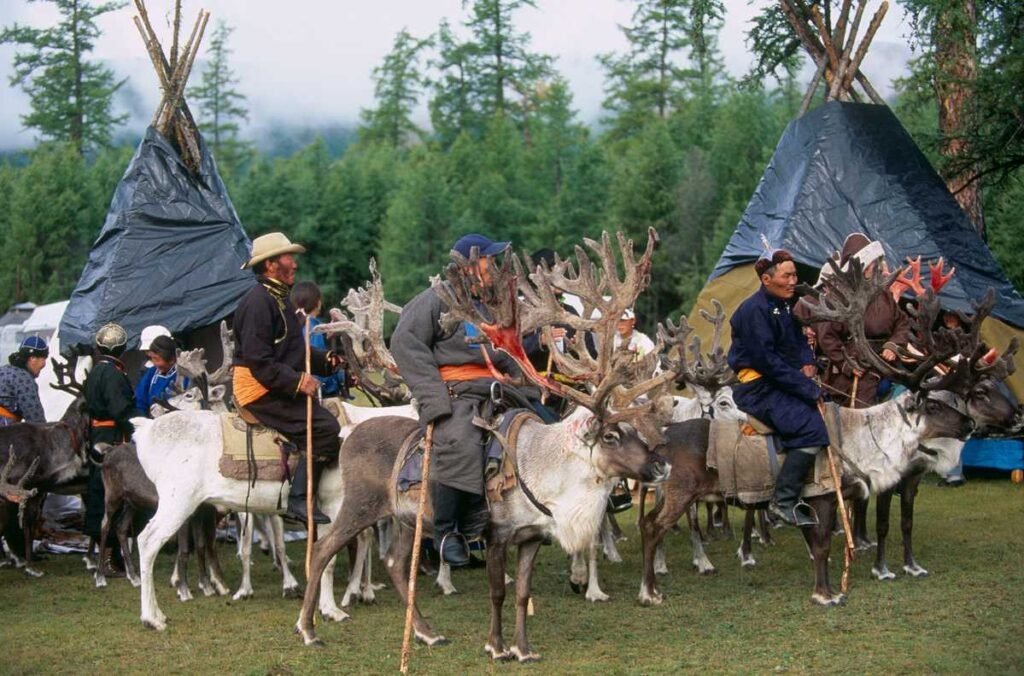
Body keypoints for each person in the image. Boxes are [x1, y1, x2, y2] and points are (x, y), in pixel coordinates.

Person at [391, 233, 540, 567]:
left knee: (540, 424)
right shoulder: (435, 299)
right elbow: (405, 343)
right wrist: (433, 397)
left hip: (499, 391)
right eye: (489, 259)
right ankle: (446, 532)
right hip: (456, 395)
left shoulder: (493, 302)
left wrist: (528, 379)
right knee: (460, 440)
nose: (495, 266)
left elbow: (505, 352)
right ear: (471, 265)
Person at [232, 232, 343, 525]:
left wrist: (328, 362)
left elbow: (296, 352)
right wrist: (297, 382)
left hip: (271, 380)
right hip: (258, 388)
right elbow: (259, 361)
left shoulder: (278, 299)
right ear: (270, 265)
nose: (294, 264)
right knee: (326, 427)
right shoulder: (258, 303)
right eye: (288, 258)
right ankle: (298, 501)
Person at [727, 247, 828, 527]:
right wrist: (807, 389)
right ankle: (782, 501)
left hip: (778, 382)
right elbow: (767, 362)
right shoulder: (753, 311)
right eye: (787, 276)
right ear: (767, 280)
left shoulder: (783, 305)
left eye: (795, 275)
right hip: (758, 388)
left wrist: (808, 363)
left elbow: (797, 341)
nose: (794, 281)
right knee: (811, 429)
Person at [816, 234, 910, 408]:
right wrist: (846, 364)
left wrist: (893, 345)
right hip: (858, 368)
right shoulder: (838, 296)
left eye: (874, 263)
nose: (874, 268)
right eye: (869, 264)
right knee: (864, 413)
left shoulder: (883, 294)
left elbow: (902, 323)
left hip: (888, 365)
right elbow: (827, 337)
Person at [84, 322, 143, 574]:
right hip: (112, 437)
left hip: (98, 433)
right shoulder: (113, 374)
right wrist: (142, 423)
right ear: (122, 349)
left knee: (100, 490)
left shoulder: (96, 371)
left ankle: (110, 557)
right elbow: (120, 410)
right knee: (111, 494)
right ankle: (108, 559)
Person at [290, 281, 347, 399]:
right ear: (317, 302)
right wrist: (342, 379)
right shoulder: (313, 330)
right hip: (321, 395)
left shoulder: (294, 325)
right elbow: (318, 368)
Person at [135, 328, 187, 413]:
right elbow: (140, 401)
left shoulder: (184, 375)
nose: (154, 363)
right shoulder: (151, 373)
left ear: (172, 359)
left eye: (156, 359)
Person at [0, 335, 49, 426]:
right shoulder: (24, 380)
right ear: (32, 358)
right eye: (43, 359)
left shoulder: (3, 370)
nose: (44, 364)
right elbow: (36, 420)